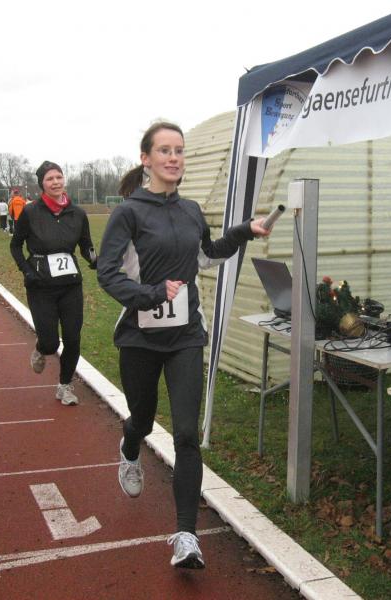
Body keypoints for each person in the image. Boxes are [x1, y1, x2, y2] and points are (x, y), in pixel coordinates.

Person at [97, 122, 272, 570]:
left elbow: (207, 254)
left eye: (179, 150)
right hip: (139, 337)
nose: (174, 158)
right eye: (164, 150)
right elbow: (107, 273)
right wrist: (150, 294)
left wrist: (244, 230)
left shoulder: (191, 210)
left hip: (185, 337)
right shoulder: (128, 213)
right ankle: (129, 449)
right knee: (141, 418)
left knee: (187, 435)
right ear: (146, 159)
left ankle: (186, 537)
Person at [9, 161, 97, 406]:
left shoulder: (78, 214)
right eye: (50, 179)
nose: (56, 182)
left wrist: (96, 260)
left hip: (70, 285)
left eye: (59, 177)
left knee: (73, 338)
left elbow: (86, 246)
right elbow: (15, 245)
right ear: (42, 184)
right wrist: (27, 271)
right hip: (41, 286)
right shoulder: (30, 212)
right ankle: (41, 348)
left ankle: (64, 386)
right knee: (50, 343)